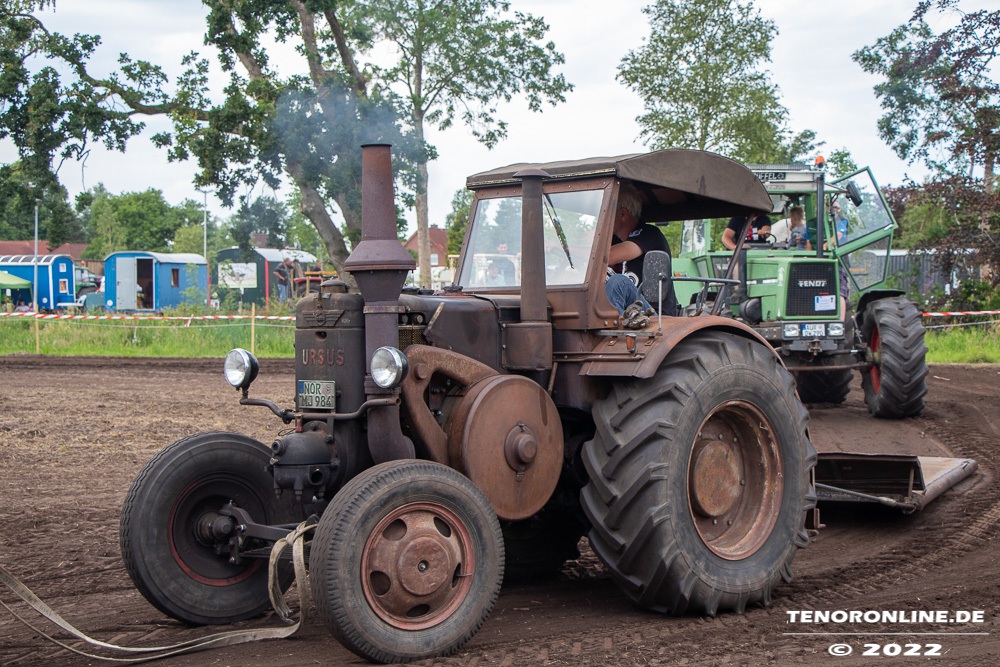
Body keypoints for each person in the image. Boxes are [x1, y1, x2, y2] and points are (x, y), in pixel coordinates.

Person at [606, 183, 670, 329]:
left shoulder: (649, 233)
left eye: (606, 211)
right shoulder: (613, 241)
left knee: (619, 282)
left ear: (622, 214)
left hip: (653, 314)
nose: (602, 218)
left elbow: (607, 257)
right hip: (628, 312)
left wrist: (566, 250)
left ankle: (611, 331)